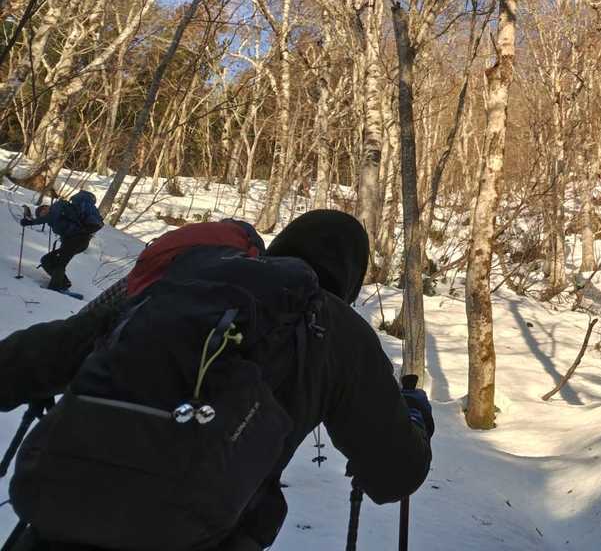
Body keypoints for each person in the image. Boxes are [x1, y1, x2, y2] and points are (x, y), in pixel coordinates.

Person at [0, 209, 432, 551]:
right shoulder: (336, 327)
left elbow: (40, 357)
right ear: (350, 282)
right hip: (198, 534)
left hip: (57, 511)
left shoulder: (186, 280)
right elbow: (394, 474)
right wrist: (414, 415)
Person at [20, 190, 103, 291]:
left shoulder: (57, 207)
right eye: (41, 215)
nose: (43, 214)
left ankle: (55, 287)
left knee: (60, 262)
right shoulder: (57, 217)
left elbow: (49, 217)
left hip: (78, 239)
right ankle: (63, 282)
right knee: (46, 260)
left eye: (42, 211)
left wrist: (31, 222)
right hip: (74, 241)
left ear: (46, 207)